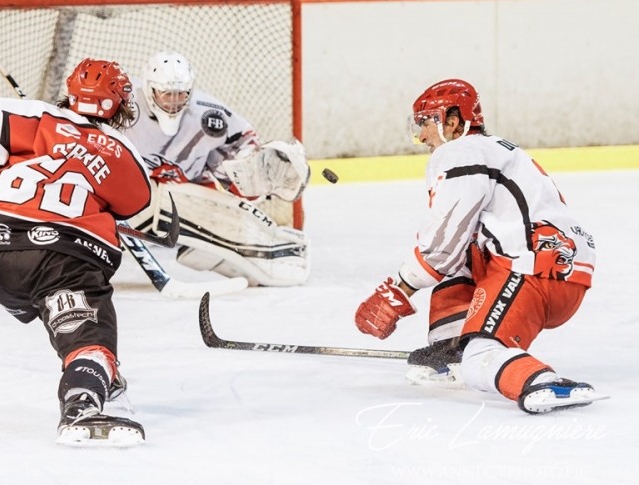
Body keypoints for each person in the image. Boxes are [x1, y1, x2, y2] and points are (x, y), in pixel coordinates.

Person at [354, 79, 606, 414]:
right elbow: (456, 250)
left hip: (532, 270)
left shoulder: (460, 151)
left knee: (479, 359)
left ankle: (539, 380)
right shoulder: (498, 151)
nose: (422, 136)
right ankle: (452, 344)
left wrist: (397, 290)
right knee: (465, 252)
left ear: (454, 122)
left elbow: (441, 244)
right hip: (555, 268)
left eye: (426, 123)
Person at [0, 59, 152, 446]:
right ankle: (83, 398)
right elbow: (135, 204)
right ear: (120, 107)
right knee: (86, 335)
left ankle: (90, 365)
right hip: (59, 257)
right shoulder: (122, 150)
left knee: (49, 300)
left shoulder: (28, 115)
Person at [122, 51, 310, 287]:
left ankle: (264, 257)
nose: (174, 102)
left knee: (219, 232)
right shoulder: (123, 106)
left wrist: (253, 169)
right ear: (150, 90)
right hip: (129, 195)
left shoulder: (208, 113)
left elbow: (243, 140)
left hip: (186, 191)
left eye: (181, 94)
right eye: (167, 94)